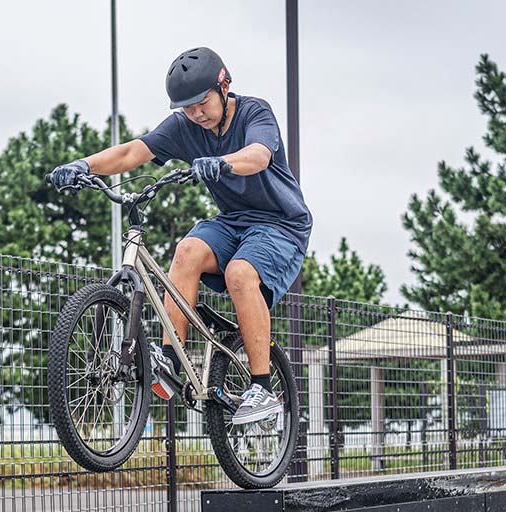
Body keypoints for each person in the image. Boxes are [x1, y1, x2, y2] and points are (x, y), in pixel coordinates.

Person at [47, 46, 312, 425]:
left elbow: (258, 156)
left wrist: (222, 162)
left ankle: (263, 388)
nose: (196, 115)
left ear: (224, 87)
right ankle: (171, 360)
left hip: (280, 225)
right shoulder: (185, 128)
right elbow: (132, 152)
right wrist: (83, 165)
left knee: (240, 273)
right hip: (233, 220)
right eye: (187, 108)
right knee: (186, 250)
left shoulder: (255, 112)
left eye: (202, 104)